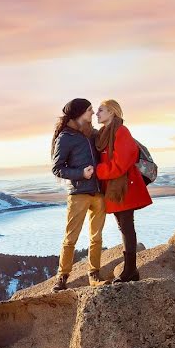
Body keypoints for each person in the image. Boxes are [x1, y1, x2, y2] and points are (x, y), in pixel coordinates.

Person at [50, 98, 106, 291]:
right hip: (79, 193)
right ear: (79, 113)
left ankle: (94, 275)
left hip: (98, 192)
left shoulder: (92, 133)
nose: (92, 113)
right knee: (71, 238)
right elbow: (57, 168)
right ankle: (62, 277)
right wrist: (81, 174)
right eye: (89, 110)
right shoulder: (65, 137)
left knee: (96, 237)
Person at [94, 99, 152, 282]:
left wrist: (97, 172)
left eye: (101, 110)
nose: (97, 113)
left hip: (124, 186)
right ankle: (131, 270)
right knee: (123, 226)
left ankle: (130, 270)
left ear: (112, 112)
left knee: (126, 226)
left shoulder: (121, 131)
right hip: (113, 187)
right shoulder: (103, 133)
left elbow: (122, 163)